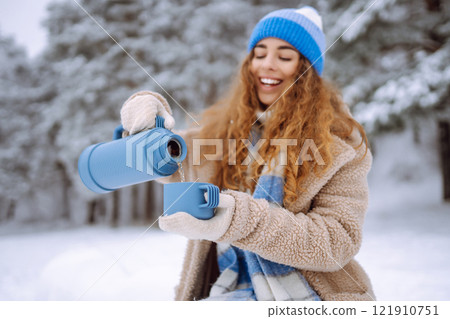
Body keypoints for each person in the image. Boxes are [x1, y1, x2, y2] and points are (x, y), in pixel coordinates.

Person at [120, 6, 375, 301]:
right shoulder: (222, 132)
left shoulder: (342, 144)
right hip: (226, 288)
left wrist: (238, 219)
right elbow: (167, 160)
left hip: (310, 297)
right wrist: (145, 112)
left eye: (284, 56)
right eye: (260, 53)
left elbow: (336, 242)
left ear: (306, 70)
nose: (267, 64)